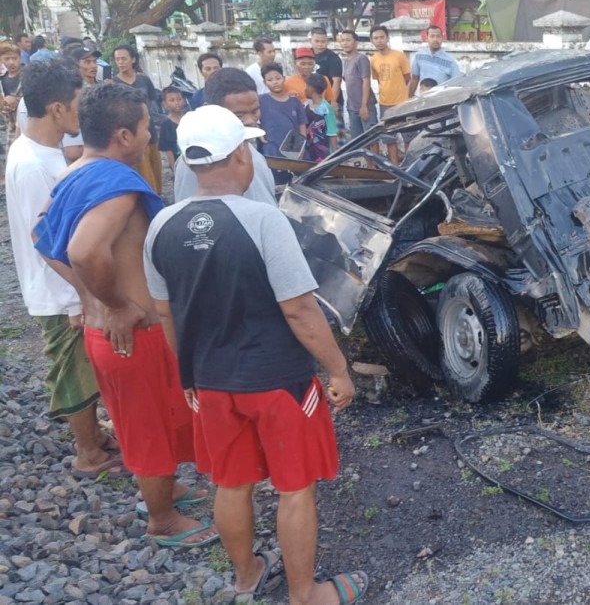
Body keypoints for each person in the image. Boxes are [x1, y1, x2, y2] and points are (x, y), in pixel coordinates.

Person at [145, 104, 365, 604]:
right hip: (279, 381)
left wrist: (190, 373)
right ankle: (304, 594)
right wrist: (339, 371)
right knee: (295, 486)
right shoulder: (263, 220)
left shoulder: (162, 225)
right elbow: (300, 310)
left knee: (231, 482)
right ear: (241, 155)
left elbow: (165, 314)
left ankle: (246, 576)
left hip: (210, 382)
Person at [32, 82, 217, 548]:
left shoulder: (76, 171)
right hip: (134, 335)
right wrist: (115, 304)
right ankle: (162, 520)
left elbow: (41, 235)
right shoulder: (117, 185)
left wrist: (89, 296)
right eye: (146, 127)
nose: (151, 135)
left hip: (113, 334)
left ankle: (166, 490)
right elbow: (83, 250)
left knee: (149, 420)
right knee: (148, 427)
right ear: (123, 135)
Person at [5, 60, 124, 479]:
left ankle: (94, 436)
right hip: (61, 290)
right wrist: (81, 297)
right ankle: (87, 452)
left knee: (85, 365)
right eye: (77, 103)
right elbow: (45, 239)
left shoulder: (39, 150)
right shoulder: (34, 164)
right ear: (57, 109)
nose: (81, 112)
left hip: (67, 287)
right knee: (73, 370)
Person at [174, 67, 277, 205]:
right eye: (239, 115)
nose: (250, 121)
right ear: (210, 110)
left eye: (255, 111)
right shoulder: (198, 159)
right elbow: (191, 211)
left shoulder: (249, 149)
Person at [111, 44, 164, 194]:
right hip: (132, 134)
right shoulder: (114, 83)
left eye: (124, 59)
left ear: (133, 59)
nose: (120, 62)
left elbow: (153, 102)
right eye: (117, 59)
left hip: (150, 131)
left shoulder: (143, 80)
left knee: (157, 171)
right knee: (144, 174)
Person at [369, 25, 411, 163]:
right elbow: (378, 80)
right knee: (389, 138)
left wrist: (399, 90)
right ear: (371, 40)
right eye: (376, 38)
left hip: (402, 102)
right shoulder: (373, 59)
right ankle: (394, 166)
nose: (379, 40)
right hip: (384, 103)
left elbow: (407, 77)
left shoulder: (399, 55)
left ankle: (409, 164)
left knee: (408, 135)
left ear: (387, 38)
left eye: (382, 37)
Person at [260, 62, 307, 158]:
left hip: (293, 150)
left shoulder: (295, 101)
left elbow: (302, 127)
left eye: (278, 78)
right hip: (271, 151)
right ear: (264, 82)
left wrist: (301, 148)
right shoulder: (260, 100)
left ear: (284, 79)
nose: (275, 82)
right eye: (270, 80)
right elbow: (250, 118)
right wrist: (258, 132)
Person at [338, 30, 376, 139]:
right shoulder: (346, 61)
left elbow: (366, 81)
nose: (345, 43)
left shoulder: (361, 58)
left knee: (371, 139)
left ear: (356, 42)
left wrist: (364, 105)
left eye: (348, 40)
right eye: (343, 40)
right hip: (352, 107)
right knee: (358, 140)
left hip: (365, 105)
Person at [408, 25, 460, 97]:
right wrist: (410, 98)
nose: (435, 39)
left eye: (438, 36)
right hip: (423, 98)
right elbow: (414, 79)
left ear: (442, 38)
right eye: (432, 36)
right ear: (427, 38)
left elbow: (457, 84)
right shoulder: (419, 56)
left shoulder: (450, 61)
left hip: (441, 99)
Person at [310, 28, 342, 119]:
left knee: (334, 127)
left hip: (328, 100)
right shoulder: (307, 56)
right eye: (317, 41)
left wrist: (333, 101)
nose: (320, 44)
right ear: (310, 41)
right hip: (312, 101)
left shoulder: (333, 58)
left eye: (323, 41)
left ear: (327, 42)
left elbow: (337, 81)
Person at [303, 74, 337, 159]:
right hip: (309, 150)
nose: (304, 89)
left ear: (311, 88)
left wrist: (335, 154)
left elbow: (332, 132)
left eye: (305, 86)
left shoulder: (326, 109)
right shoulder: (307, 104)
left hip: (324, 153)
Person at [1, 40, 23, 146]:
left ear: (20, 58)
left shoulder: (28, 77)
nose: (11, 62)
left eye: (14, 58)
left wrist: (17, 101)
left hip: (25, 126)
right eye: (7, 59)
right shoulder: (2, 79)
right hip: (9, 127)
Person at [158, 86, 187, 164]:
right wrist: (174, 167)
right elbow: (168, 150)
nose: (176, 103)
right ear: (164, 103)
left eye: (179, 99)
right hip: (179, 162)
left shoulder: (189, 118)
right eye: (172, 100)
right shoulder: (165, 124)